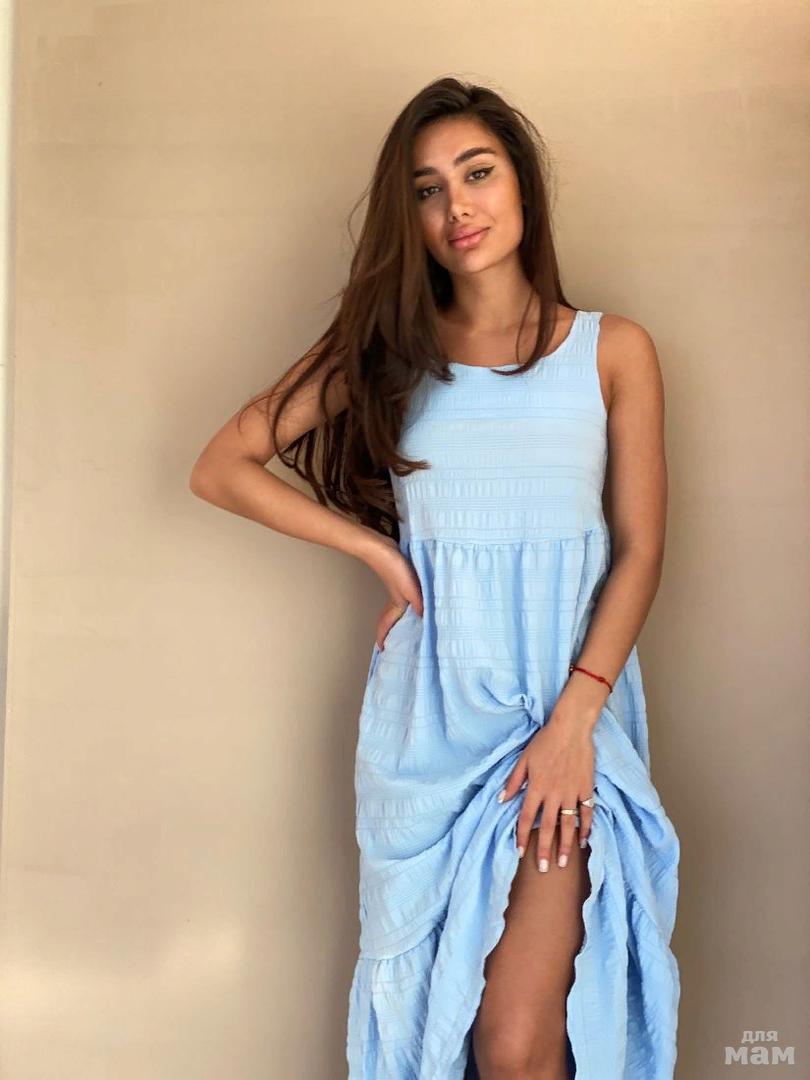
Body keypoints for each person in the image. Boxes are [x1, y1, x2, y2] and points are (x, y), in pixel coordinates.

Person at [190, 77, 680, 1080]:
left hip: (564, 714)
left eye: (477, 173)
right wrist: (377, 550)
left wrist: (575, 721)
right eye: (426, 190)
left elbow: (639, 550)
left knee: (517, 1040)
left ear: (523, 184)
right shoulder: (388, 357)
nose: (457, 206)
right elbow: (220, 467)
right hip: (433, 723)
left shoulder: (613, 350)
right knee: (449, 1034)